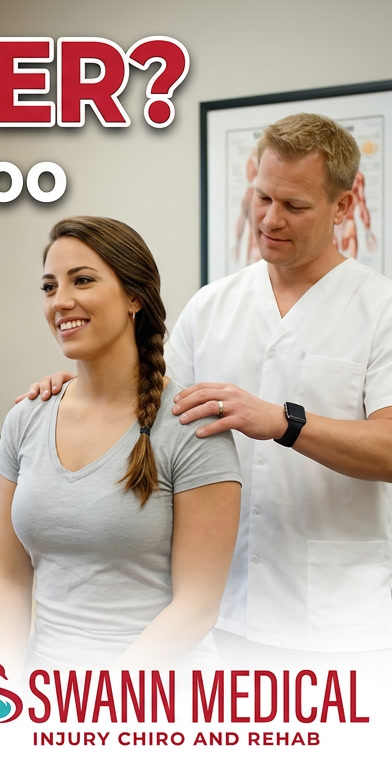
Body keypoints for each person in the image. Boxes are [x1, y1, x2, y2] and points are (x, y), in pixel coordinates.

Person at [20, 114, 392, 659]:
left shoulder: (378, 308)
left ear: (342, 205)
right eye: (262, 196)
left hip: (337, 621)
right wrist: (77, 387)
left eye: (295, 205)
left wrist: (286, 423)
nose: (270, 218)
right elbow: (144, 403)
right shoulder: (213, 304)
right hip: (213, 613)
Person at [0, 216, 241, 673]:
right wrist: (6, 685)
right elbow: (7, 578)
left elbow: (197, 606)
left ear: (134, 298)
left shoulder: (191, 426)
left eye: (82, 280)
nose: (60, 301)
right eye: (49, 287)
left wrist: (98, 700)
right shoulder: (25, 418)